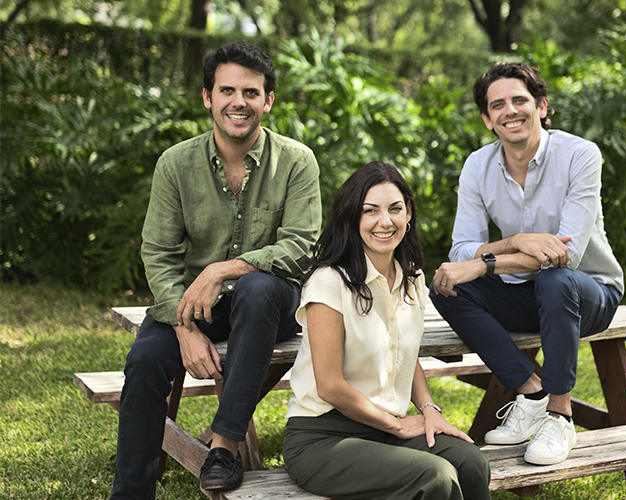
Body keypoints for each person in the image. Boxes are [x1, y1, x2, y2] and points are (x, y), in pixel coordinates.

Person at [109, 41, 322, 499]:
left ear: (268, 100)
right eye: (227, 90)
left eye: (251, 92)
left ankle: (223, 447)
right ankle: (130, 493)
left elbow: (300, 248)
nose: (238, 102)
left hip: (270, 304)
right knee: (144, 361)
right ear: (208, 97)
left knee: (260, 288)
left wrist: (221, 270)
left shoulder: (297, 161)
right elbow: (159, 255)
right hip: (195, 305)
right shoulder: (176, 164)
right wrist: (184, 328)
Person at [430, 62, 624, 466]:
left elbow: (563, 255)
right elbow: (461, 248)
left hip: (590, 293)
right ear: (487, 119)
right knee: (447, 286)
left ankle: (560, 414)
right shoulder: (477, 166)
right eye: (497, 105)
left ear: (541, 106)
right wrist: (515, 241)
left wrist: (484, 264)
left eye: (520, 100)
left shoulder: (580, 155)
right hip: (524, 295)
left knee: (556, 279)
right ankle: (532, 392)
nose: (510, 110)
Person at [283, 162, 491, 500]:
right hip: (324, 438)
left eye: (395, 209)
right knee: (435, 477)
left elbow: (405, 355)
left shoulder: (411, 278)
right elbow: (330, 385)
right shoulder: (329, 281)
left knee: (471, 463)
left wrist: (428, 411)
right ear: (353, 218)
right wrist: (395, 424)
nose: (385, 221)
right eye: (370, 211)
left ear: (408, 213)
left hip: (382, 430)